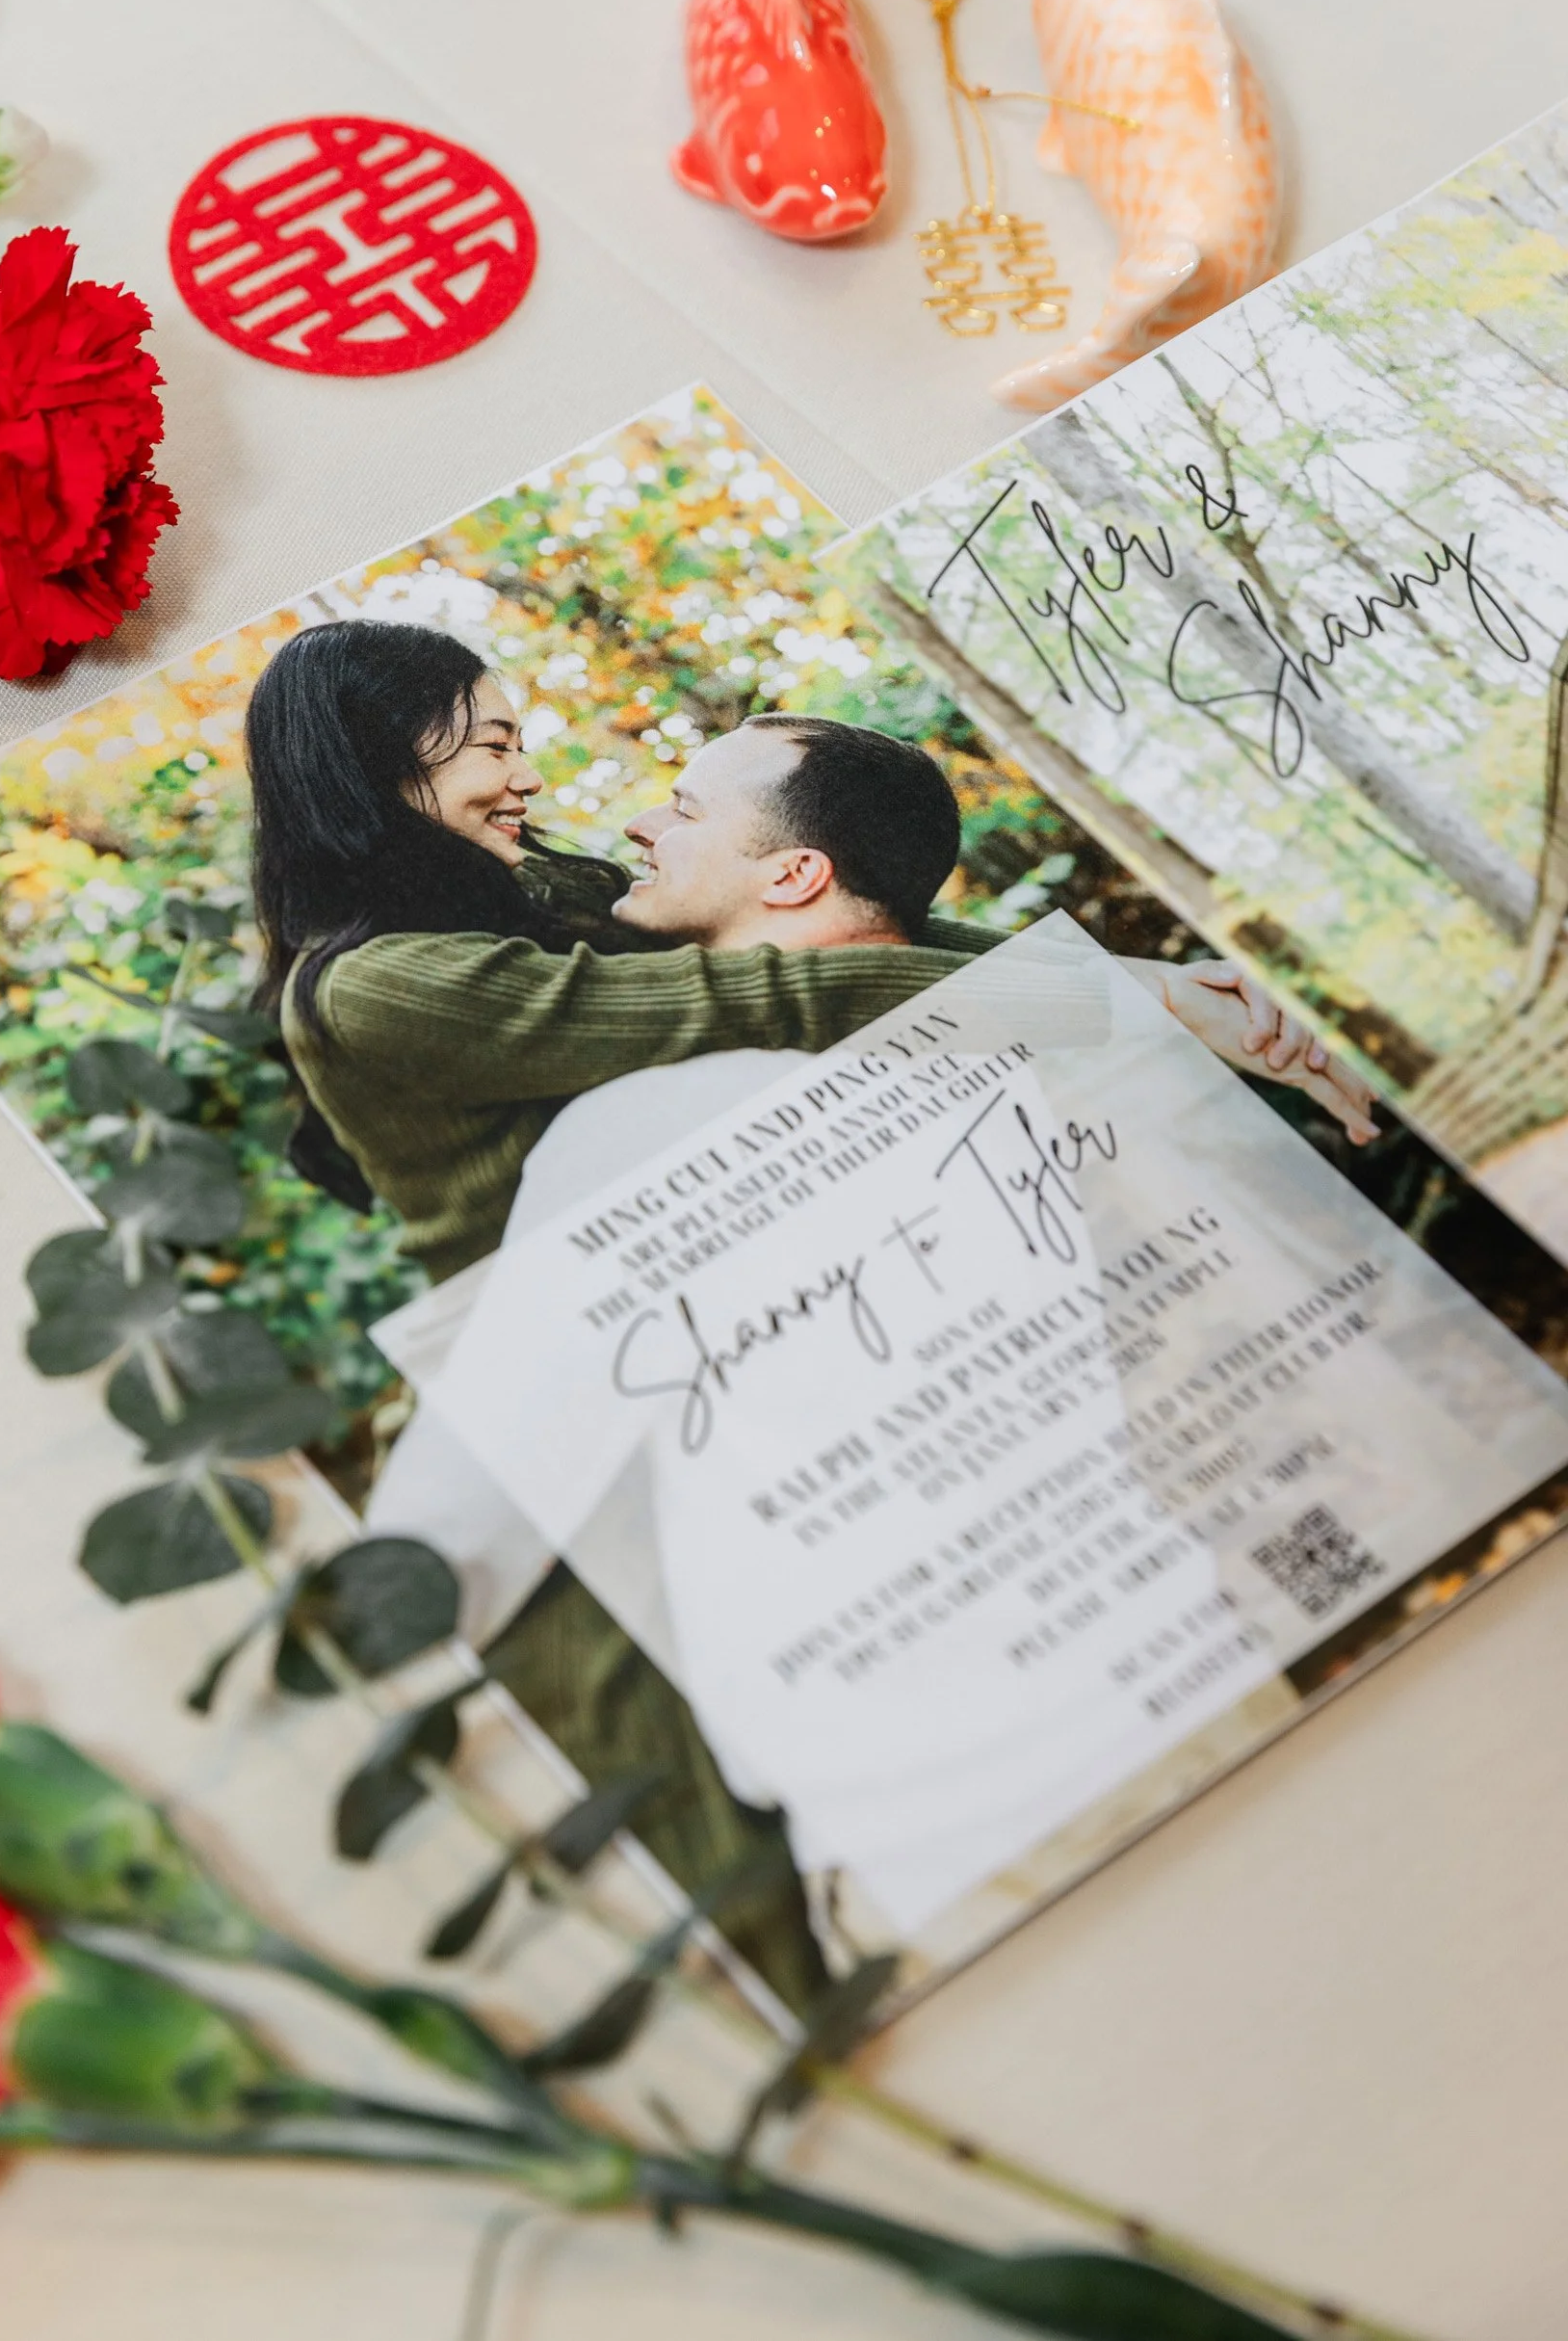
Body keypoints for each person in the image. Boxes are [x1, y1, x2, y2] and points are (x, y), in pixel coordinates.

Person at [247, 618, 1371, 1999]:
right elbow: (749, 990)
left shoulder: (537, 895)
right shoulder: (376, 983)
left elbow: (850, 921)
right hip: (574, 1397)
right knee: (694, 1789)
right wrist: (1101, 988)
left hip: (737, 1325)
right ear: (378, 765)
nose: (527, 774)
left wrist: (1097, 980)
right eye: (491, 744)